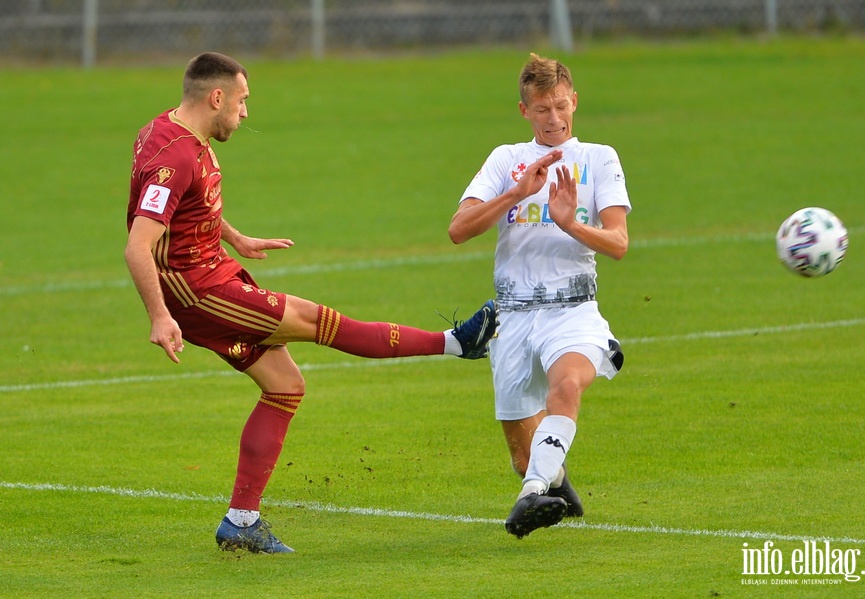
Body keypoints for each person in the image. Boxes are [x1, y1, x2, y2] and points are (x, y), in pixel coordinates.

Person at [125, 52, 497, 554]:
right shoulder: (176, 156)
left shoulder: (168, 131)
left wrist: (233, 237)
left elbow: (184, 206)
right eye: (242, 101)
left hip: (213, 271)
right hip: (199, 292)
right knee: (319, 320)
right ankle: (457, 343)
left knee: (285, 385)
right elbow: (138, 244)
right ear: (217, 98)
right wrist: (160, 316)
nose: (245, 113)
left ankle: (241, 521)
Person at [448, 53, 630, 539]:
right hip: (511, 318)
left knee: (566, 388)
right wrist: (514, 194)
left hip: (573, 310)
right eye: (542, 109)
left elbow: (618, 243)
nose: (554, 118)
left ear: (575, 102)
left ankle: (530, 497)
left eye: (561, 106)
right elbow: (458, 230)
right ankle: (555, 485)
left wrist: (571, 222)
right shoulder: (506, 160)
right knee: (522, 452)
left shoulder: (598, 158)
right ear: (524, 111)